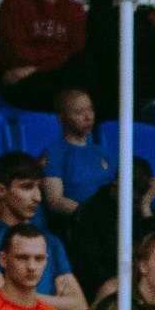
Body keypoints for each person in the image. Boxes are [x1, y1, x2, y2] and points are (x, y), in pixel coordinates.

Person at [0, 152, 85, 310]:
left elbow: (80, 307)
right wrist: (56, 303)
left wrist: (23, 297)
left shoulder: (51, 242)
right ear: (1, 190)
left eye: (39, 187)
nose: (37, 197)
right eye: (27, 187)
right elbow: (2, 302)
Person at [0, 0, 92, 112]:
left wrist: (35, 68)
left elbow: (76, 55)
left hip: (54, 78)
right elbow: (16, 53)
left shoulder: (76, 11)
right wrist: (57, 58)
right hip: (22, 84)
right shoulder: (14, 3)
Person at [39, 87, 114, 223]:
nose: (88, 117)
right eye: (79, 112)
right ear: (61, 119)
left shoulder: (103, 152)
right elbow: (55, 201)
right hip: (77, 223)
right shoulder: (54, 153)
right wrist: (90, 214)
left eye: (90, 110)